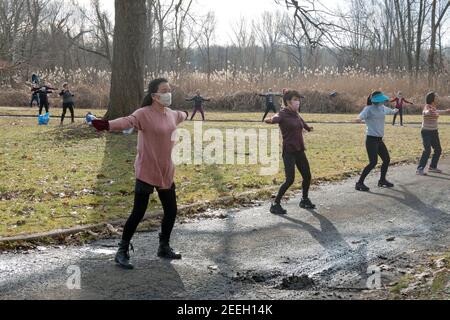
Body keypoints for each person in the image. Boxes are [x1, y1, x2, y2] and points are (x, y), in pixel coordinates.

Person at [92, 78, 189, 270]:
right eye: (164, 90)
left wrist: (189, 112)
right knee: (138, 213)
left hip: (166, 170)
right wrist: (107, 125)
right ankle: (122, 251)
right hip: (147, 169)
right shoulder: (143, 114)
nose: (168, 93)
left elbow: (182, 114)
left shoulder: (172, 114)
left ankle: (164, 246)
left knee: (171, 211)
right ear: (154, 95)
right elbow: (127, 121)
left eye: (169, 90)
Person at [265, 90, 316, 214]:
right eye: (295, 100)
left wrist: (308, 128)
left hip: (299, 150)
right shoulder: (282, 114)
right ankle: (275, 204)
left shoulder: (296, 114)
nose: (298, 102)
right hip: (289, 151)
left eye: (299, 100)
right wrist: (270, 120)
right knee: (290, 180)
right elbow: (276, 118)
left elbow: (302, 122)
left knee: (307, 176)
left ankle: (304, 200)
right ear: (288, 102)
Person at [355, 91, 399, 192]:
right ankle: (359, 183)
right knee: (373, 162)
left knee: (386, 159)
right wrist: (358, 119)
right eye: (381, 100)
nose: (382, 101)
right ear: (375, 100)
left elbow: (391, 111)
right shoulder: (368, 109)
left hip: (379, 140)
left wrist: (396, 110)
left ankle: (382, 180)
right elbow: (361, 116)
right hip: (371, 139)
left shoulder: (382, 107)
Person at [416, 92, 450, 176]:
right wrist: (428, 112)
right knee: (427, 150)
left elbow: (437, 111)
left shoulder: (434, 107)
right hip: (426, 132)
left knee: (438, 150)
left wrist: (446, 111)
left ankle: (432, 167)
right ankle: (420, 169)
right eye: (436, 96)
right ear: (432, 99)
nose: (438, 98)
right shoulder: (427, 107)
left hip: (434, 132)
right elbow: (425, 112)